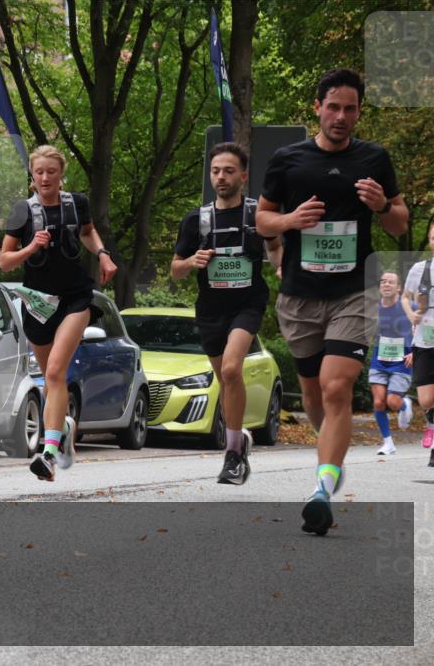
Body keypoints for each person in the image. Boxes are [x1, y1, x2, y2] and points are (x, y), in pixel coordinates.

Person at [256, 69, 409, 535]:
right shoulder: (288, 160)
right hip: (300, 296)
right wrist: (290, 221)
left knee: (336, 387)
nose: (341, 116)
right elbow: (261, 220)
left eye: (351, 109)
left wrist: (383, 204)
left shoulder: (374, 158)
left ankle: (322, 488)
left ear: (359, 112)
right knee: (313, 393)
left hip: (354, 294)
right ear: (318, 107)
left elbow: (400, 225)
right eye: (334, 107)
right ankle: (330, 461)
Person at [0, 145, 117, 481]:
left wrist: (104, 255)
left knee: (53, 372)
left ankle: (47, 453)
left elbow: (87, 232)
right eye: (39, 172)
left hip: (75, 298)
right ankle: (62, 426)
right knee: (53, 383)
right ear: (32, 177)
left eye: (52, 172)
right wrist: (31, 247)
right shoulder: (22, 211)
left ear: (60, 174)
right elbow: (5, 261)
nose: (46, 177)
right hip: (37, 303)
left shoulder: (76, 204)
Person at [171, 142, 282, 485]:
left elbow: (276, 247)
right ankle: (240, 441)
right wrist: (192, 262)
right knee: (226, 379)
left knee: (233, 369)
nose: (221, 177)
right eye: (216, 171)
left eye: (229, 171)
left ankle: (232, 453)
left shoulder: (256, 215)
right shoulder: (197, 220)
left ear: (243, 177)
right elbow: (175, 268)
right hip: (210, 309)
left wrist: (282, 269)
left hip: (247, 304)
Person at [400, 222, 434, 468]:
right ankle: (431, 422)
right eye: (433, 237)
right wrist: (410, 315)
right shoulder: (419, 269)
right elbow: (404, 297)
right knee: (426, 399)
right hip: (425, 338)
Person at [369, 271, 413, 456]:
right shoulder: (372, 308)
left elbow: (426, 323)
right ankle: (388, 443)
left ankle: (404, 405)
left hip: (403, 359)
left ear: (399, 287)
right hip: (380, 358)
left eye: (391, 282)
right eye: (383, 282)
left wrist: (416, 350)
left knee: (392, 402)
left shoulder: (409, 306)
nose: (386, 284)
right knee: (379, 402)